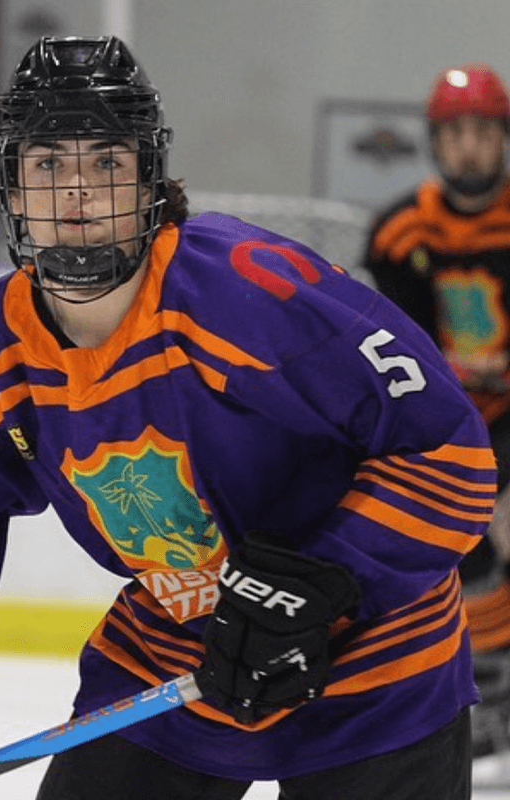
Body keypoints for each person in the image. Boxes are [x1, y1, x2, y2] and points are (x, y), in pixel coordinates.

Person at [0, 36, 495, 800]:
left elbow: (449, 451)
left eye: (105, 162)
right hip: (177, 661)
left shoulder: (249, 292)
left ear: (149, 178)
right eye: (47, 166)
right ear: (7, 187)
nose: (78, 195)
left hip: (377, 664)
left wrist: (332, 576)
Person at [363, 64, 510, 769]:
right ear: (433, 141)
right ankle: (490, 699)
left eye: (483, 131)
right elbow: (403, 351)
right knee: (460, 544)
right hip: (451, 420)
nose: (470, 149)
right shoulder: (400, 229)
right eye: (455, 134)